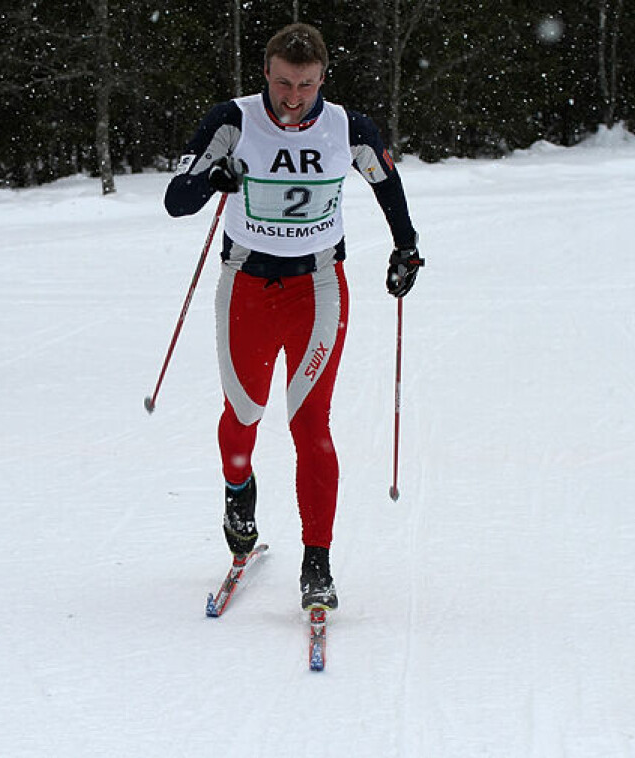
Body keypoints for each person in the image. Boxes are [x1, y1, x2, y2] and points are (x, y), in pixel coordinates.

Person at [163, 22, 423, 611]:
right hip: (246, 289)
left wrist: (406, 248)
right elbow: (176, 198)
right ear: (266, 74)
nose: (292, 97)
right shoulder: (232, 119)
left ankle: (318, 564)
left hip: (319, 289)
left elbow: (389, 185)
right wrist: (211, 179)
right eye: (283, 82)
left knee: (311, 427)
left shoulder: (348, 127)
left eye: (305, 85)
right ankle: (238, 490)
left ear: (322, 79)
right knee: (245, 411)